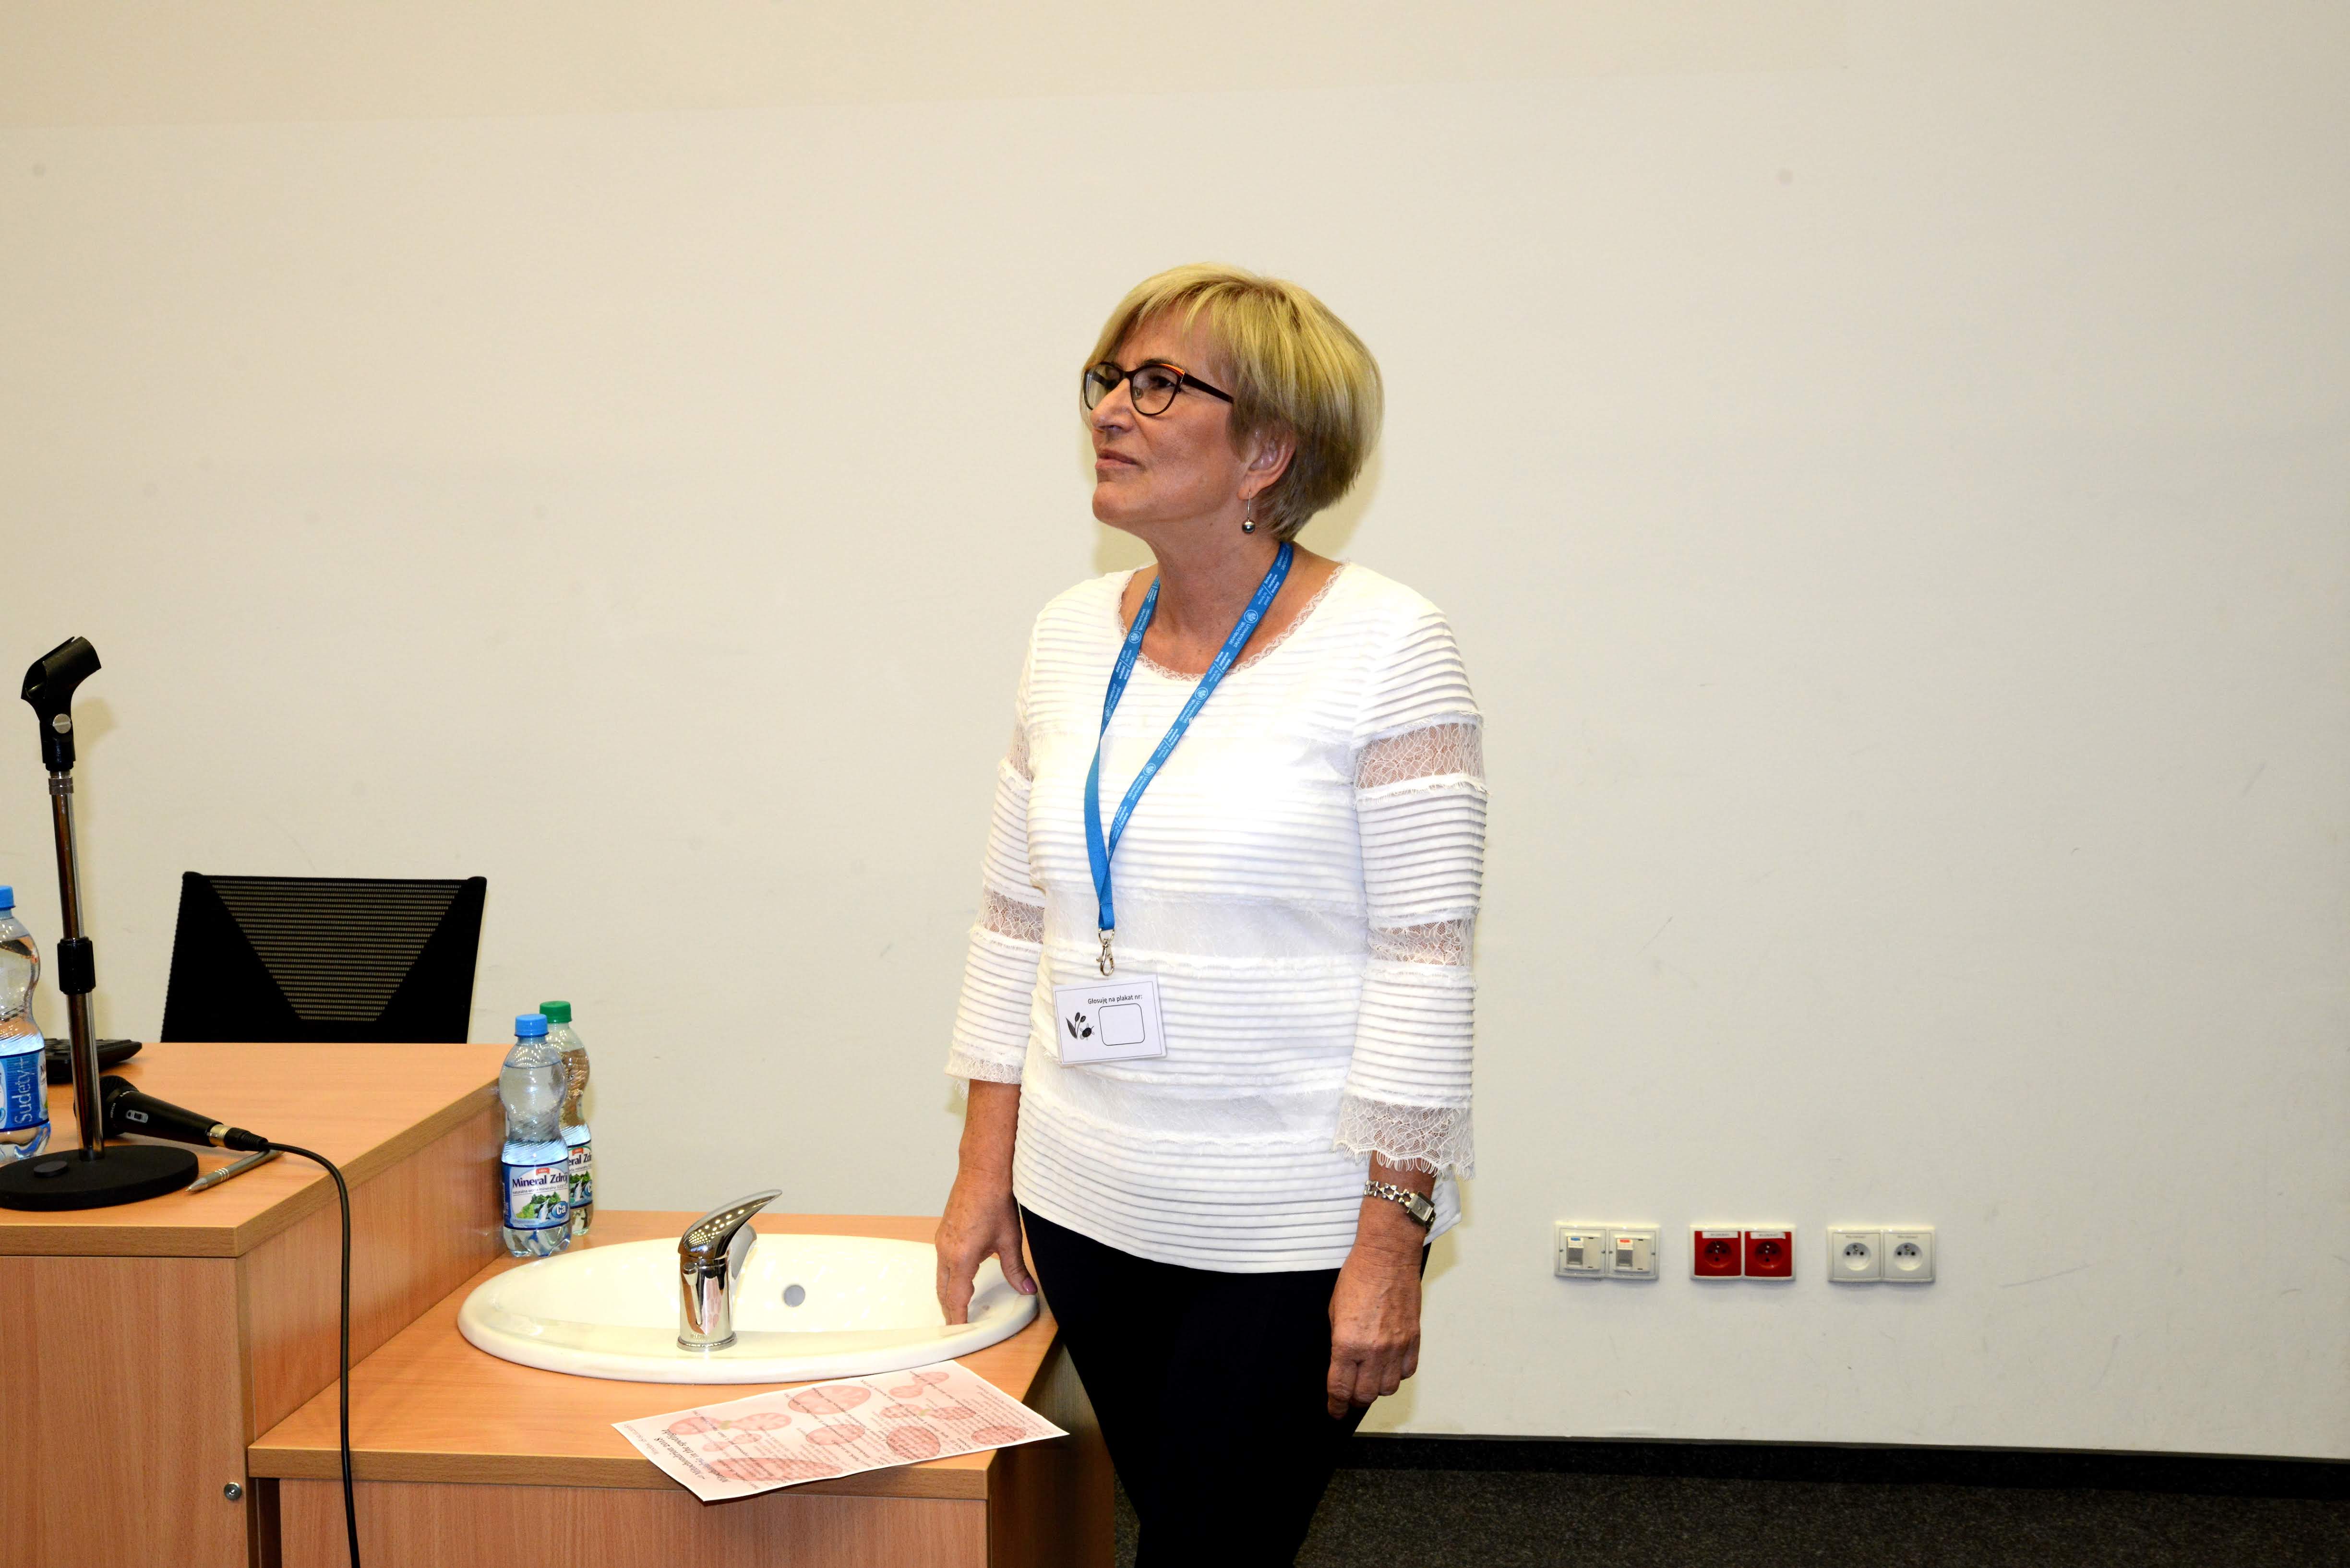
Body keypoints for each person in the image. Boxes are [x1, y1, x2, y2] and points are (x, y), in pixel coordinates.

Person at [934, 263, 1486, 1566]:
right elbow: (1014, 916)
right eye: (1108, 378)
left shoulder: (1390, 646)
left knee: (1204, 1552)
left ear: (1269, 451)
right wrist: (980, 1172)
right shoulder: (1069, 635)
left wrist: (1391, 1239)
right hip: (1086, 1201)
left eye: (1159, 384)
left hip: (1291, 1225)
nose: (1110, 410)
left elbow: (1425, 967)